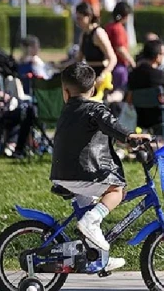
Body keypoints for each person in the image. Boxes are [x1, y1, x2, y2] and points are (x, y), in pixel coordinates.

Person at [50, 63, 150, 272]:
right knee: (117, 190)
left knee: (88, 208)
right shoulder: (95, 109)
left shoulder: (67, 111)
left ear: (65, 93)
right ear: (94, 89)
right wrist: (130, 137)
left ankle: (97, 259)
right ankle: (91, 222)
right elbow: (110, 123)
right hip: (83, 173)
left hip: (61, 174)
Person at [72, 2, 118, 88]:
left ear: (89, 17)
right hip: (89, 77)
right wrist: (60, 66)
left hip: (100, 78)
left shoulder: (98, 33)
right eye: (76, 19)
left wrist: (103, 76)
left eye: (80, 18)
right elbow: (78, 59)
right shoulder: (84, 34)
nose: (77, 22)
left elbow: (113, 59)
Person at [104, 2, 136, 91]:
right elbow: (120, 48)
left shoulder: (108, 26)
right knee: (120, 92)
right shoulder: (118, 29)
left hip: (109, 65)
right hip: (119, 66)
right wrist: (131, 61)